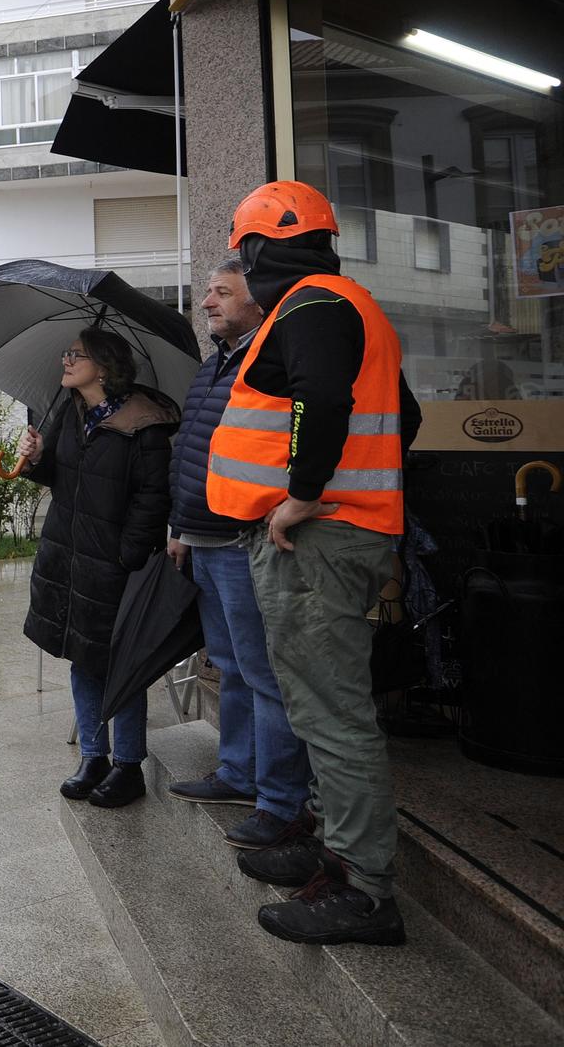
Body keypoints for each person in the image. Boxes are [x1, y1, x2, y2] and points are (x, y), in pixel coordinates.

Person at [207, 180, 419, 946]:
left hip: (316, 540)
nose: (241, 265)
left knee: (333, 714)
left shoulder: (313, 305)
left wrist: (302, 494)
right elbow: (408, 416)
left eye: (243, 252)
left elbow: (320, 400)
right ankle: (330, 845)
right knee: (318, 705)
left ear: (263, 249)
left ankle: (365, 890)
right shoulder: (345, 303)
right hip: (339, 535)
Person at [165, 259, 310, 849]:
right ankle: (237, 771)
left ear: (258, 303)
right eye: (207, 293)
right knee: (226, 665)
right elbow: (194, 450)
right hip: (201, 536)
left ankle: (279, 799)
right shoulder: (214, 366)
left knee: (263, 672)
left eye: (223, 293)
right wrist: (178, 523)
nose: (207, 302)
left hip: (242, 538)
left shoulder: (268, 362)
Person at [16, 329, 179, 809]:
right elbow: (64, 479)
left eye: (76, 354)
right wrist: (37, 459)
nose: (65, 361)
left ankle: (128, 765)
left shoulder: (143, 423)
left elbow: (153, 499)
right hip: (67, 556)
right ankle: (94, 757)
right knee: (81, 655)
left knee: (119, 663)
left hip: (113, 563)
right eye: (67, 352)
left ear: (103, 367)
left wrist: (125, 556)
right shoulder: (73, 411)